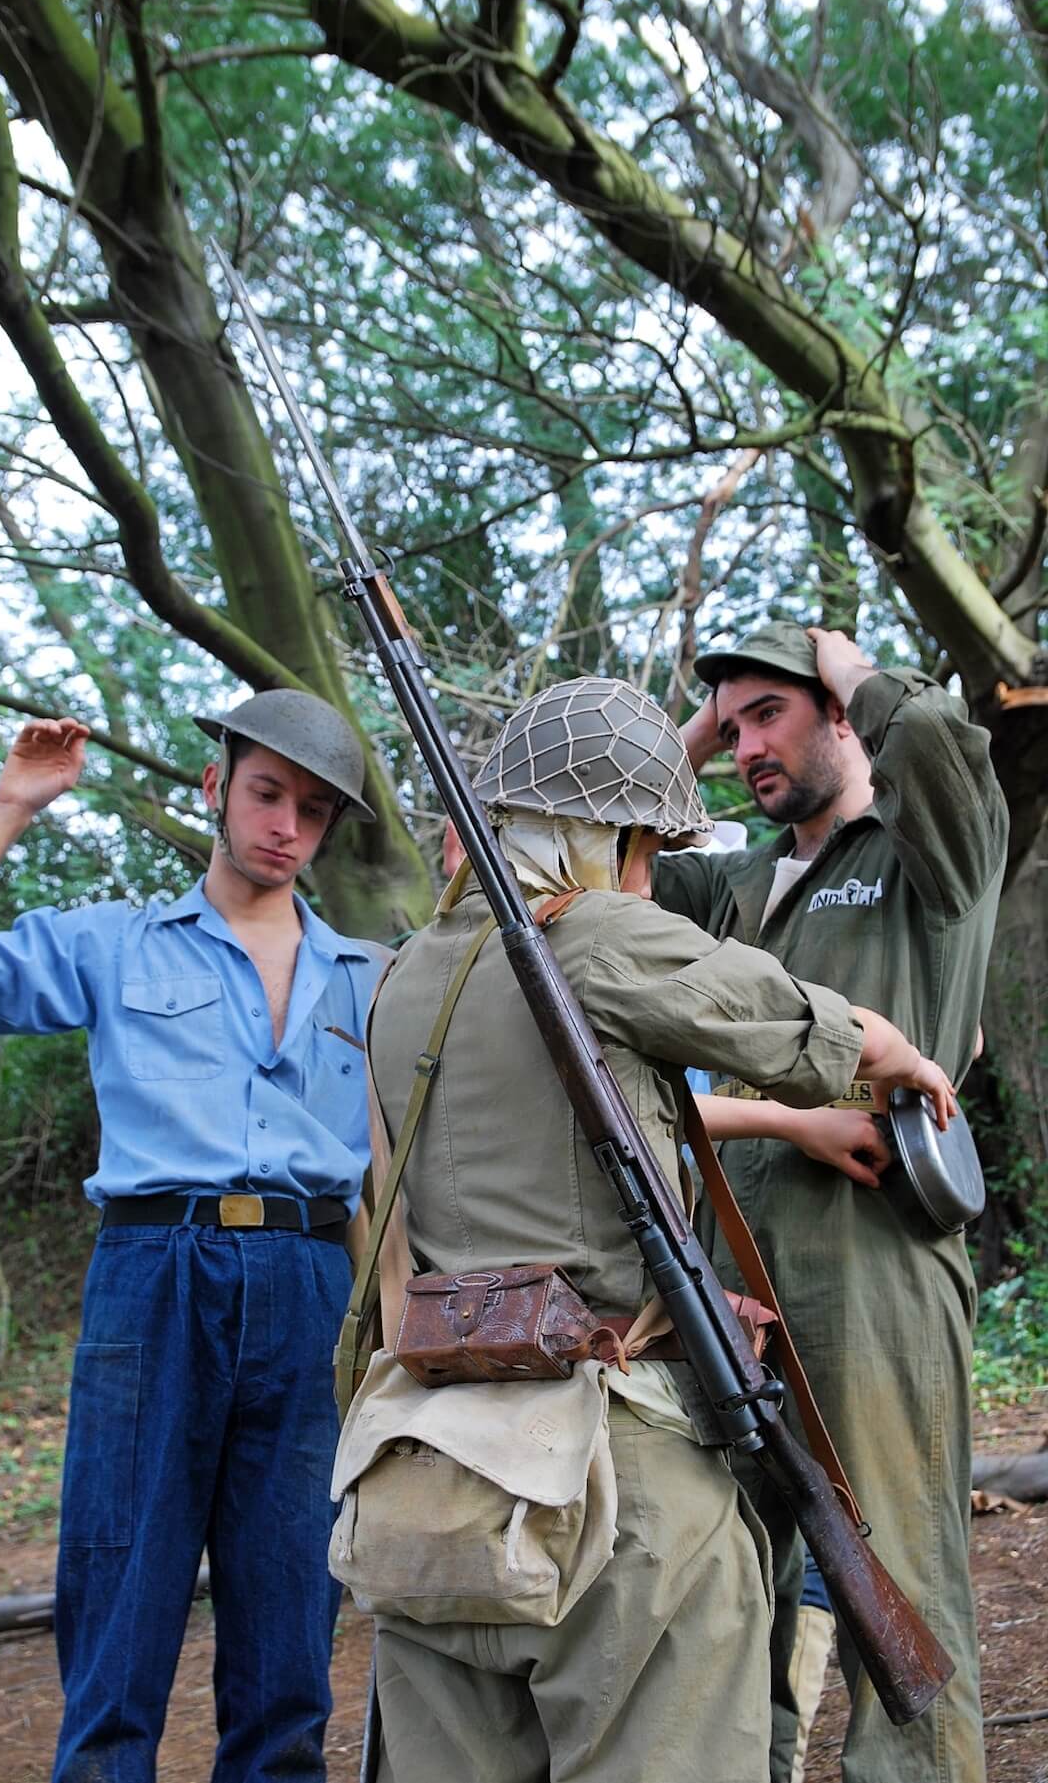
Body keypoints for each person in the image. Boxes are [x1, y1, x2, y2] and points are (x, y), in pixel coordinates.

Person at [363, 675, 955, 1783]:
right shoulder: (590, 936)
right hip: (605, 1477)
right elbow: (804, 1026)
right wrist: (906, 1057)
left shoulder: (404, 976)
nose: (648, 876)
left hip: (428, 1476)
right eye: (645, 848)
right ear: (613, 836)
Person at [0, 690, 386, 1783]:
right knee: (117, 1620)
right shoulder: (113, 944)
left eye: (313, 809)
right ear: (215, 787)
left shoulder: (373, 978)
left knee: (291, 1626)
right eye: (266, 791)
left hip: (311, 1282)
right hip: (156, 1277)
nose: (286, 823)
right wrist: (12, 804)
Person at [657, 621, 1006, 1783]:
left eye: (773, 714)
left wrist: (837, 654)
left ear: (844, 713)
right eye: (735, 726)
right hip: (731, 1279)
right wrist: (697, 724)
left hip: (871, 1267)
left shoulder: (926, 858)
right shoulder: (735, 883)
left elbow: (948, 749)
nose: (748, 744)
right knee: (732, 1588)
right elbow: (590, 855)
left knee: (892, 1579)